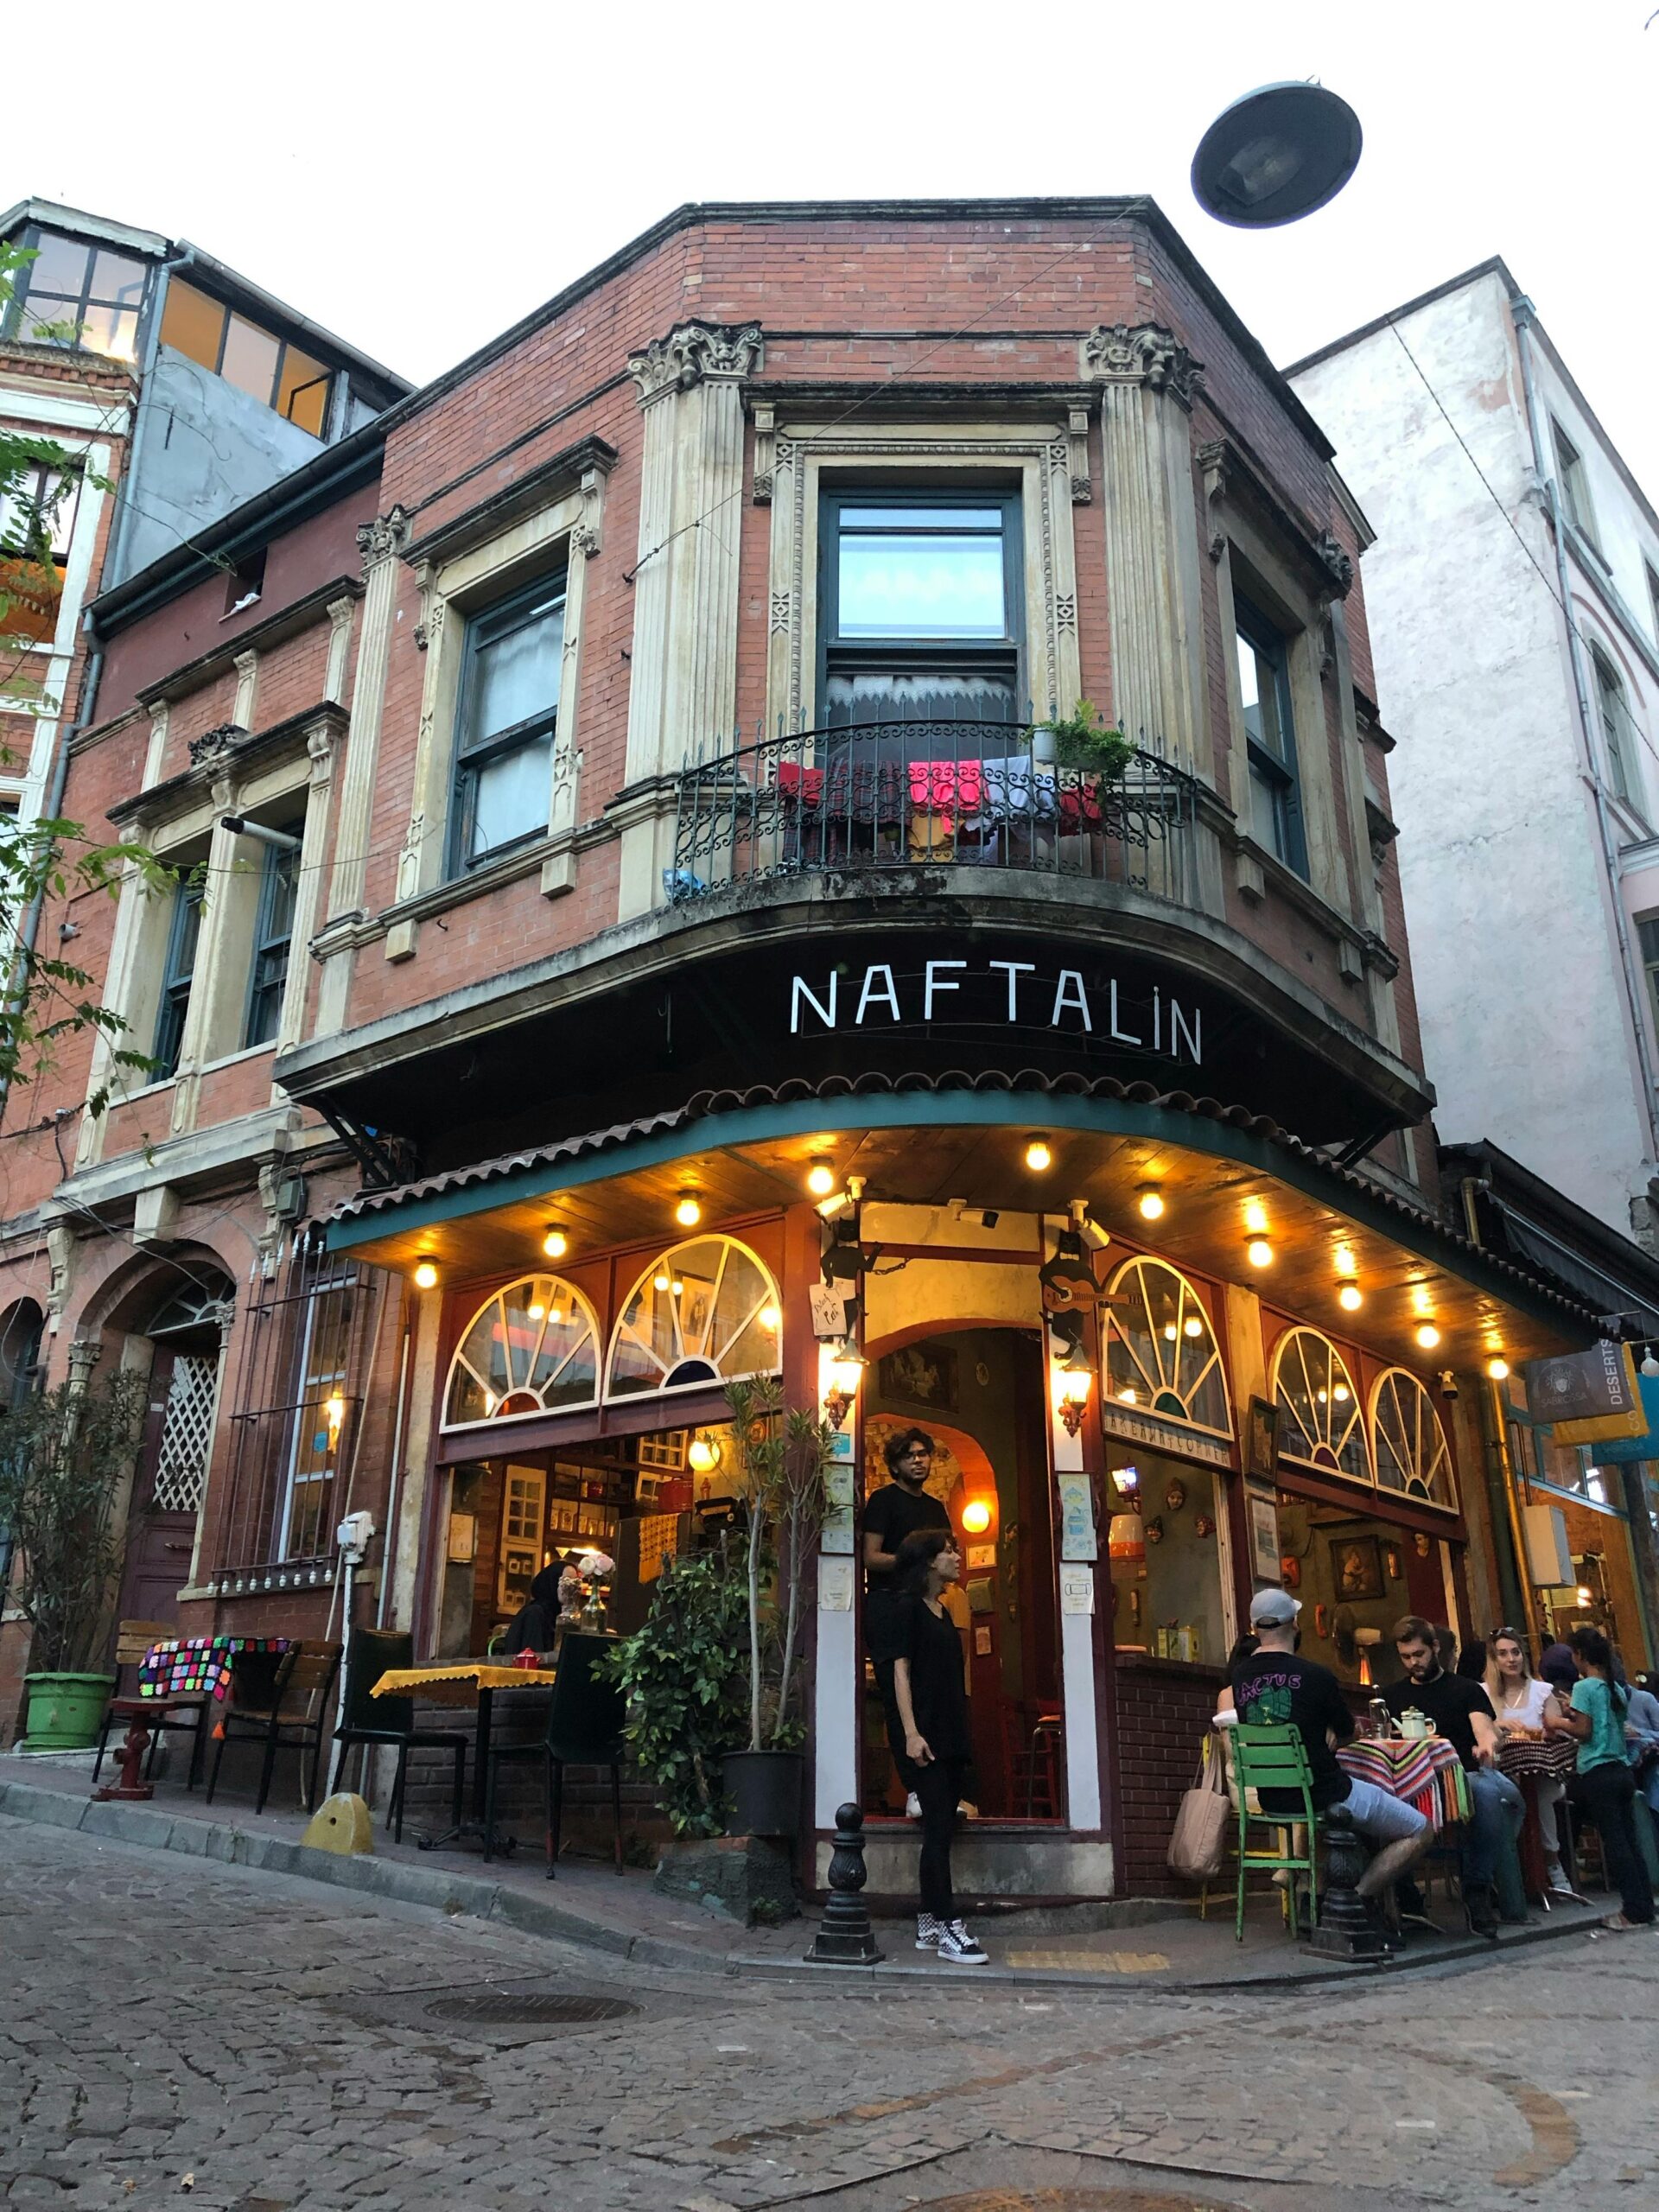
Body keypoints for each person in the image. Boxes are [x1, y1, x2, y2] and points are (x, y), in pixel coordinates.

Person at [1231, 1588, 1430, 1936]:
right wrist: (1329, 1727)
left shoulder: (1241, 1677)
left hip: (1274, 1798)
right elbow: (1347, 1731)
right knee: (1419, 1829)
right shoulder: (1316, 1676)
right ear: (1294, 1624)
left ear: (1254, 1628)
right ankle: (1355, 1899)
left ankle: (1314, 1895)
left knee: (1323, 1822)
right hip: (1326, 1793)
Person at [1385, 1614, 1524, 1936]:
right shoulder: (1392, 1696)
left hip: (1460, 1776)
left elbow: (1484, 1728)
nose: (1413, 1663)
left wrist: (1486, 1746)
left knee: (1489, 1794)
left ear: (1435, 1648)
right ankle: (1404, 1895)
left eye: (1418, 1655)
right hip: (1410, 1782)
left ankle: (1476, 1888)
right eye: (1405, 1657)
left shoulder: (1466, 1690)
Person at [892, 1529, 987, 1965]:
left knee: (941, 1829)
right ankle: (950, 1927)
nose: (956, 1556)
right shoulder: (907, 1609)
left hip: (949, 1734)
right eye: (948, 1551)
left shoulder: (943, 1612)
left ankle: (928, 1921)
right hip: (925, 1737)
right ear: (929, 1562)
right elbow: (901, 1673)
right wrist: (911, 1732)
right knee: (936, 1831)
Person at [863, 1428, 950, 1817]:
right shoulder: (883, 1501)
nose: (919, 1460)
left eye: (924, 1453)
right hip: (888, 1605)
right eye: (909, 1455)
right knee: (898, 1697)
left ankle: (941, 1783)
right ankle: (914, 1790)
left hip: (927, 1606)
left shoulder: (937, 1508)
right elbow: (870, 1557)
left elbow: (949, 1554)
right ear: (895, 1464)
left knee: (933, 1693)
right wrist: (911, 1560)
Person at [1544, 1625, 1656, 1929]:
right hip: (1622, 1770)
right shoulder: (1614, 1688)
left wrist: (1557, 1720)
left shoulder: (1584, 1687)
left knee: (1615, 1844)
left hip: (1597, 1771)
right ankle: (1644, 1906)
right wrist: (1573, 1713)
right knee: (1630, 1841)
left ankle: (1631, 1912)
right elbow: (1605, 1723)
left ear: (1579, 1656)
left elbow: (1584, 1730)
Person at [1484, 1625, 1571, 1893]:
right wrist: (1499, 1726)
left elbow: (1556, 1732)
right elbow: (1482, 1736)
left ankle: (1551, 1863)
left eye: (1516, 1652)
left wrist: (1537, 1732)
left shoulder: (1543, 1691)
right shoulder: (1483, 1693)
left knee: (1539, 1793)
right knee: (1504, 1796)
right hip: (1503, 1772)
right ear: (1494, 1660)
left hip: (1545, 1772)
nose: (1511, 1659)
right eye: (1503, 1654)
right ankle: (1511, 1868)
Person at [501, 1564, 562, 1658]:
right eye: (565, 1581)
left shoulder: (562, 1615)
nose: (573, 1588)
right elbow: (532, 1657)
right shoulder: (534, 1613)